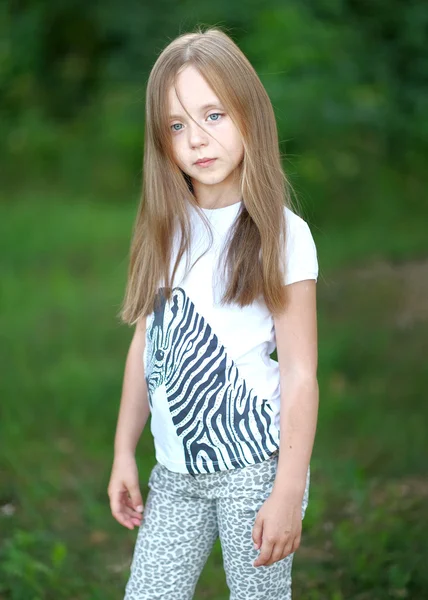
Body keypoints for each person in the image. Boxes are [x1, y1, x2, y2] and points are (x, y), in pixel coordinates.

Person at [108, 25, 319, 600]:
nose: (197, 139)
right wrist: (125, 450)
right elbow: (148, 344)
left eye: (214, 115)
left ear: (249, 115)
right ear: (162, 140)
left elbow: (300, 374)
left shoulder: (282, 234)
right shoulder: (164, 229)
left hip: (254, 470)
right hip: (174, 476)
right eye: (177, 125)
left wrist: (287, 489)